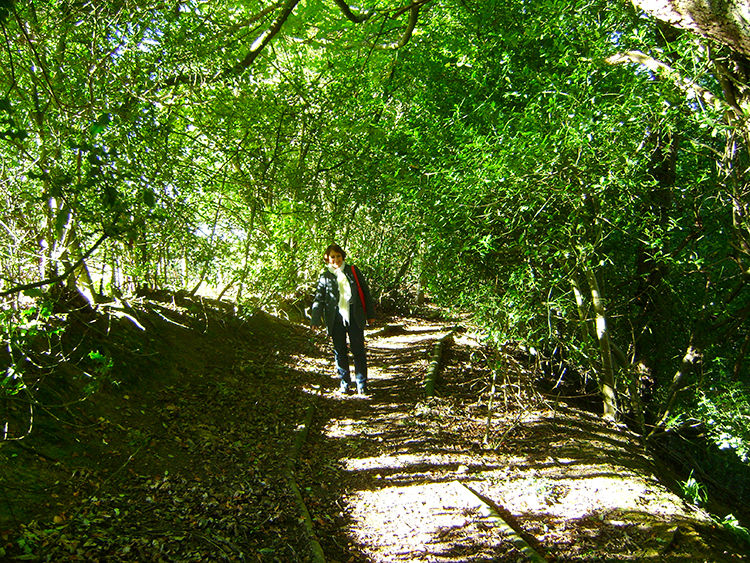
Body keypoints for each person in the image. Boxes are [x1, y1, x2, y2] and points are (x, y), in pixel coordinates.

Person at [310, 244, 375, 396]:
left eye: (338, 256)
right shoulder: (325, 277)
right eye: (332, 257)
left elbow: (365, 291)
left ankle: (362, 384)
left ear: (342, 256)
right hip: (335, 319)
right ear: (327, 259)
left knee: (358, 350)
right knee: (340, 352)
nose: (336, 259)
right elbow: (319, 300)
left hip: (355, 316)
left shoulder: (353, 271)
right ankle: (345, 383)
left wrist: (370, 314)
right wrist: (315, 320)